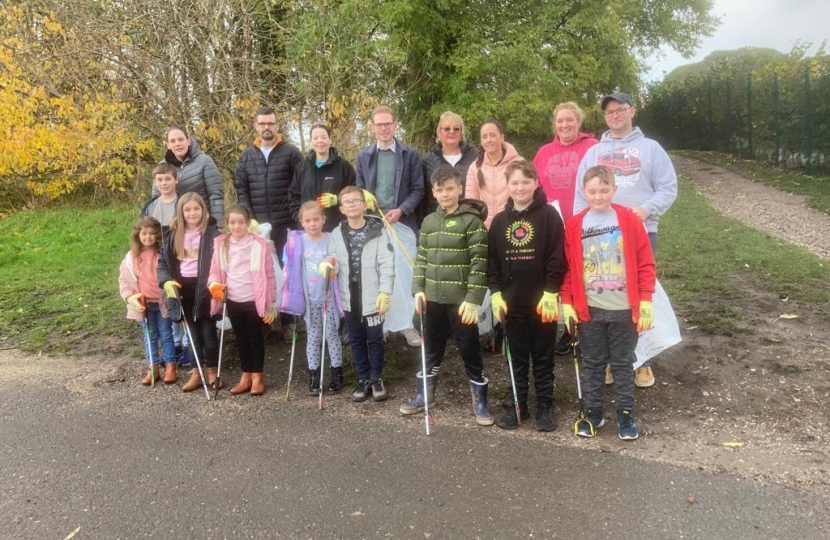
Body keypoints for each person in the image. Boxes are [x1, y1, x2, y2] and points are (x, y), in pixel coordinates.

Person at [574, 91, 677, 387]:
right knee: (605, 297)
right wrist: (579, 230)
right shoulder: (594, 152)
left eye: (620, 110)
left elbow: (668, 188)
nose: (615, 115)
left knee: (640, 296)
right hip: (599, 239)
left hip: (640, 235)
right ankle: (611, 360)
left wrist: (645, 211)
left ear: (632, 111)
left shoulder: (651, 149)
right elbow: (581, 196)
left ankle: (642, 361)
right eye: (609, 112)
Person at [560, 166, 656, 440]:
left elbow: (645, 263)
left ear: (614, 189)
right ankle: (594, 413)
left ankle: (625, 414)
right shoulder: (575, 224)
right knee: (592, 364)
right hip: (589, 310)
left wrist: (646, 301)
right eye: (592, 191)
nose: (598, 196)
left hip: (624, 311)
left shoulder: (629, 220)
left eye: (604, 190)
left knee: (623, 364)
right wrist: (567, 302)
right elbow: (569, 268)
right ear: (583, 192)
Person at [402, 165, 492, 426]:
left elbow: (479, 262)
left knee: (469, 349)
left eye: (450, 188)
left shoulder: (472, 221)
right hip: (432, 300)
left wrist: (473, 298)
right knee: (430, 349)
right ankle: (424, 395)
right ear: (433, 191)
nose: (445, 194)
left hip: (461, 303)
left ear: (459, 188)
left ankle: (480, 401)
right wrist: (418, 289)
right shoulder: (429, 222)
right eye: (440, 190)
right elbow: (421, 259)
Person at [487, 161, 566, 431]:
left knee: (543, 357)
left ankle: (546, 405)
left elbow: (558, 257)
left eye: (525, 182)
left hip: (542, 302)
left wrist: (551, 291)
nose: (520, 188)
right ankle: (517, 405)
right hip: (512, 304)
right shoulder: (499, 222)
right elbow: (493, 262)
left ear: (536, 183)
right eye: (515, 183)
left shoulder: (549, 216)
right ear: (507, 186)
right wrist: (495, 293)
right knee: (516, 358)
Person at [533, 102, 598, 356]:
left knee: (584, 275)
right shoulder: (544, 152)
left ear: (578, 122)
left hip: (585, 222)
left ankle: (584, 329)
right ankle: (567, 328)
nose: (564, 125)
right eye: (560, 121)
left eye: (569, 120)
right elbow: (534, 185)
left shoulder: (592, 147)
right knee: (558, 273)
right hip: (553, 224)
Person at [355, 105, 423, 348]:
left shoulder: (410, 155)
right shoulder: (364, 157)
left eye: (388, 124)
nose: (383, 128)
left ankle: (406, 324)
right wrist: (366, 202)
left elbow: (418, 189)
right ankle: (382, 324)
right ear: (372, 128)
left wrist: (401, 209)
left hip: (402, 224)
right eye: (379, 124)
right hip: (374, 226)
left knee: (404, 276)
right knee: (379, 275)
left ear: (395, 125)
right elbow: (359, 189)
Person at [235, 106, 304, 343]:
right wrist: (248, 219)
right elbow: (241, 188)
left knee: (286, 272)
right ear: (256, 126)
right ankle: (264, 321)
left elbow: (300, 186)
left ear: (277, 125)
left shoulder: (291, 153)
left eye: (271, 124)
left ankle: (289, 321)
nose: (267, 128)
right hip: (257, 227)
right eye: (262, 123)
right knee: (260, 273)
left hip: (285, 223)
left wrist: (296, 216)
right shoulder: (247, 156)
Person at [325, 186, 394, 402]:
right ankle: (363, 378)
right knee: (356, 339)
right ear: (341, 209)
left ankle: (376, 377)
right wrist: (328, 266)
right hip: (349, 296)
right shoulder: (337, 233)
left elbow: (387, 263)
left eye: (356, 201)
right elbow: (333, 260)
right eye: (347, 202)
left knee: (374, 338)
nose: (352, 205)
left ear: (364, 205)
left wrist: (385, 291)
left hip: (373, 296)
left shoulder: (379, 231)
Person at [207, 205, 277, 396]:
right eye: (232, 222)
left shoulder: (259, 244)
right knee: (240, 339)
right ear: (227, 224)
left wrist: (271, 302)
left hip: (254, 299)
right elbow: (215, 270)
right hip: (233, 298)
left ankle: (257, 377)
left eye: (241, 222)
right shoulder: (222, 244)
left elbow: (269, 274)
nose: (237, 226)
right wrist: (213, 284)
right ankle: (245, 375)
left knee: (255, 338)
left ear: (248, 223)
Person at [158, 193, 222, 392]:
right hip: (183, 287)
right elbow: (163, 262)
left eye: (196, 209)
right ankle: (196, 372)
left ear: (203, 210)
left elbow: (222, 259)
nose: (192, 213)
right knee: (192, 333)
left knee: (209, 332)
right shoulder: (172, 234)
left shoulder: (213, 233)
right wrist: (166, 281)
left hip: (206, 286)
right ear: (181, 212)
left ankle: (212, 370)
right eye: (188, 209)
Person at [280, 201, 345, 395]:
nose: (313, 224)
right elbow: (290, 266)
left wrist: (332, 266)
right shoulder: (298, 242)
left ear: (324, 220)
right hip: (310, 299)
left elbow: (339, 262)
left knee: (333, 336)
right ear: (302, 222)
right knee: (313, 337)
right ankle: (314, 376)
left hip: (329, 298)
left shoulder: (331, 239)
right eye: (308, 220)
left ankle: (337, 373)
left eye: (316, 219)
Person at [119, 216, 176, 385]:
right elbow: (124, 279)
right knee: (149, 336)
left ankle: (171, 365)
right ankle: (153, 367)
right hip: (144, 305)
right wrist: (129, 297)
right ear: (138, 235)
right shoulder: (132, 256)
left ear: (158, 235)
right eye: (144, 233)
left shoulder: (163, 252)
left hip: (162, 302)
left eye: (152, 233)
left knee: (166, 334)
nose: (148, 237)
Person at [289, 124, 356, 232]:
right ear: (311, 142)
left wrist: (337, 200)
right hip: (309, 231)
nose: (320, 141)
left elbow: (355, 194)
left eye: (324, 137)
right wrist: (301, 221)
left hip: (337, 229)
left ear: (330, 140)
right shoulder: (302, 168)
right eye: (315, 138)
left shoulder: (343, 166)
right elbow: (293, 197)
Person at [157, 126, 224, 224]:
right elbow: (156, 197)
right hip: (174, 224)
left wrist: (218, 224)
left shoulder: (205, 161)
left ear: (188, 141)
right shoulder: (162, 166)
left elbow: (215, 195)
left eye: (181, 139)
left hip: (202, 223)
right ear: (168, 145)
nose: (177, 144)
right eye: (173, 141)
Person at [464, 119, 524, 230]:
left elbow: (527, 196)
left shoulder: (518, 163)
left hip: (514, 227)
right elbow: (471, 204)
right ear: (481, 141)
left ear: (502, 138)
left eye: (492, 135)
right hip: (485, 230)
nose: (488, 140)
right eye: (484, 137)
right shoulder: (474, 168)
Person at [420, 111, 479, 220]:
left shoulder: (475, 155)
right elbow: (423, 196)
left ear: (461, 133)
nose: (452, 132)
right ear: (439, 132)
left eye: (456, 129)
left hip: (468, 218)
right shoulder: (428, 160)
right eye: (447, 128)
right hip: (439, 220)